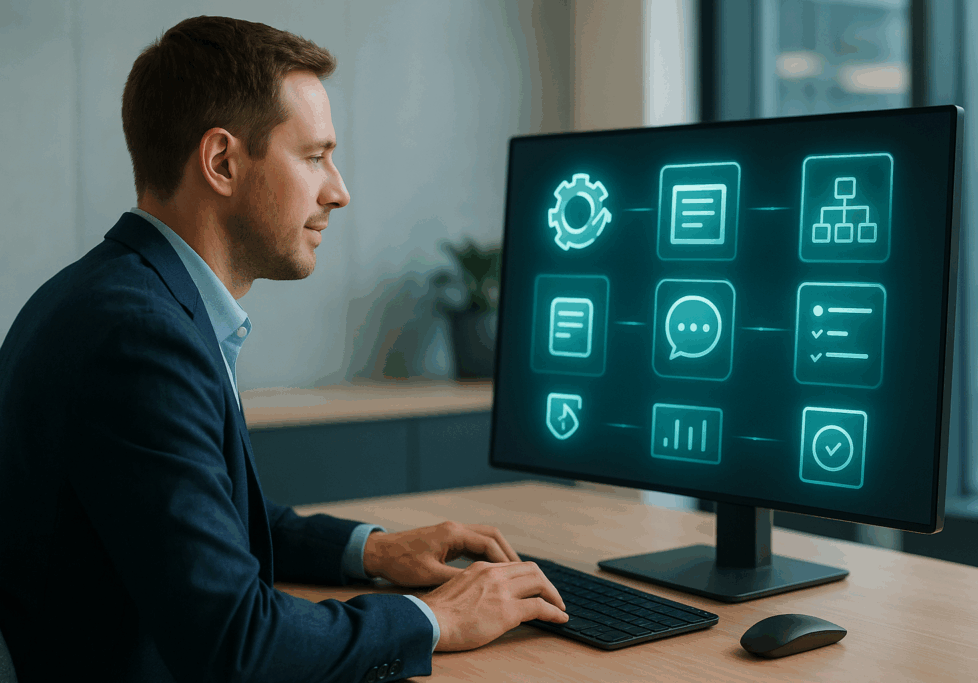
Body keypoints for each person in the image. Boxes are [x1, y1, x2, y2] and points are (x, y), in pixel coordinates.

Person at [0, 15, 567, 683]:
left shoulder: (111, 295)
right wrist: (436, 617)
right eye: (314, 155)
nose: (339, 190)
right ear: (222, 162)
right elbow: (240, 644)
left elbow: (203, 519)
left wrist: (376, 550)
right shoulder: (139, 336)